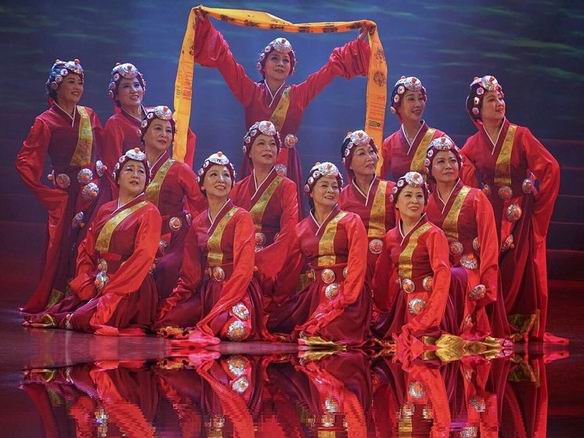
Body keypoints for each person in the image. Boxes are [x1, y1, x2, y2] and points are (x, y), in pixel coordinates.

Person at [193, 15, 370, 212]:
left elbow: (329, 70)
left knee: (286, 211)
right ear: (263, 65)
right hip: (254, 163)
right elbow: (226, 61)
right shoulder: (250, 92)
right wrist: (204, 26)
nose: (280, 63)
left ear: (291, 68)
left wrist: (358, 44)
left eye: (286, 60)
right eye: (275, 58)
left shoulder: (299, 95)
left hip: (286, 163)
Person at [460, 75, 564, 344]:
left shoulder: (521, 135)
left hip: (520, 215)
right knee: (494, 268)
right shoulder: (473, 143)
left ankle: (520, 326)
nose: (499, 103)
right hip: (490, 216)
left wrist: (537, 208)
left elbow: (550, 168)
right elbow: (462, 169)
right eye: (491, 100)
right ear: (477, 110)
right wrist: (478, 196)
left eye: (500, 98)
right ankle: (495, 323)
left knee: (520, 268)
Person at [24, 148, 161, 335]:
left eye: (141, 171)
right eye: (129, 169)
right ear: (117, 177)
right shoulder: (105, 209)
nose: (136, 175)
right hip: (99, 281)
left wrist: (113, 290)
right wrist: (87, 279)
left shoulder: (149, 211)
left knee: (82, 318)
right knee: (60, 311)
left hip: (129, 287)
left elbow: (143, 256)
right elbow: (87, 248)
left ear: (147, 180)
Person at [156, 152, 273, 345]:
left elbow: (244, 269)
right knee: (166, 321)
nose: (221, 179)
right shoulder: (198, 223)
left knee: (235, 331)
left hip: (237, 291)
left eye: (226, 175)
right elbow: (191, 274)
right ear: (202, 184)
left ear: (232, 183)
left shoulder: (241, 217)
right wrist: (174, 301)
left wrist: (225, 302)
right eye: (214, 174)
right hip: (209, 292)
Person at [17, 58, 105, 313]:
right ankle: (60, 298)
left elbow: (105, 149)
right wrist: (48, 193)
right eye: (71, 82)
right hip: (66, 195)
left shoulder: (89, 115)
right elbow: (26, 160)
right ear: (56, 86)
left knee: (90, 242)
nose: (77, 87)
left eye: (80, 82)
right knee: (64, 244)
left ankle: (86, 296)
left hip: (92, 192)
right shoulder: (45, 121)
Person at [269, 162, 369, 347]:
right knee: (275, 323)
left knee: (326, 331)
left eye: (335, 186)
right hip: (315, 295)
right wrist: (277, 301)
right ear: (310, 191)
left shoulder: (352, 221)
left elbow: (358, 264)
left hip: (348, 294)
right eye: (324, 185)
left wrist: (346, 298)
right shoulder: (301, 229)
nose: (331, 190)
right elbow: (289, 272)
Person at [424, 135, 507, 340]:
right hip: (435, 266)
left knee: (453, 278)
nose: (448, 166)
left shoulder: (476, 197)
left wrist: (487, 284)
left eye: (452, 160)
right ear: (430, 169)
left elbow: (489, 244)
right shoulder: (425, 200)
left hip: (469, 269)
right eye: (440, 161)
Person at [372, 172, 451, 345]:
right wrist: (380, 309)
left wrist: (432, 317)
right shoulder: (391, 236)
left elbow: (442, 275)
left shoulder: (434, 234)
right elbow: (381, 277)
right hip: (402, 305)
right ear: (396, 202)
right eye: (408, 195)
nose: (414, 201)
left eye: (419, 196)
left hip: (430, 303)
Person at [101, 63, 197, 200]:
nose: (134, 90)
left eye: (136, 85)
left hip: (165, 181)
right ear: (116, 94)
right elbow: (112, 167)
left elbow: (184, 137)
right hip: (135, 188)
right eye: (126, 86)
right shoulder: (115, 124)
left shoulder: (157, 114)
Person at [230, 120, 298, 309]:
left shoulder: (287, 187)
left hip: (271, 264)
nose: (268, 148)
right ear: (249, 151)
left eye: (272, 144)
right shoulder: (237, 189)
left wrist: (261, 262)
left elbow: (289, 232)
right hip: (240, 260)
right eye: (261, 143)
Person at [140, 105, 206, 299]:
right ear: (143, 132)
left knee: (165, 267)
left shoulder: (179, 169)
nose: (164, 134)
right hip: (140, 234)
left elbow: (202, 204)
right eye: (158, 128)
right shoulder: (133, 166)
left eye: (168, 131)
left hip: (173, 239)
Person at [338, 130, 396, 334]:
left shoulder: (392, 190)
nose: (370, 157)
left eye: (371, 151)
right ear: (349, 163)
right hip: (356, 263)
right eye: (361, 153)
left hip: (388, 261)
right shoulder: (341, 197)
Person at [379, 76, 445, 180]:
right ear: (398, 106)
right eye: (411, 99)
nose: (417, 104)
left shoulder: (439, 138)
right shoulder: (389, 144)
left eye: (420, 98)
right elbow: (378, 179)